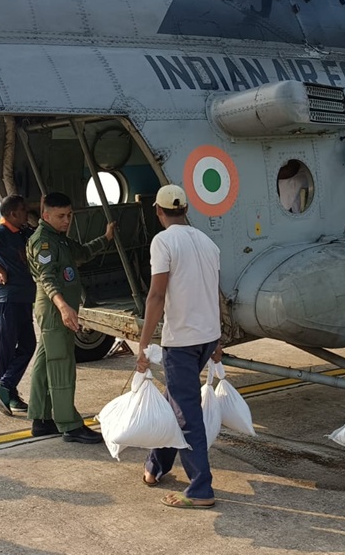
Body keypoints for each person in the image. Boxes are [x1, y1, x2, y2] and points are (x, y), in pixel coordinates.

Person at [136, 184, 222, 509]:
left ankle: (200, 489)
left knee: (186, 415)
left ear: (158, 212)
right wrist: (219, 339)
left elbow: (157, 295)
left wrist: (143, 345)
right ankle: (154, 466)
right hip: (205, 338)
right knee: (175, 398)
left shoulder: (163, 241)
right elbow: (215, 292)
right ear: (186, 209)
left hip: (182, 342)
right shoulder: (208, 243)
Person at [26, 192, 114, 442]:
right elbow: (47, 277)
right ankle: (70, 425)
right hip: (55, 309)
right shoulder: (43, 242)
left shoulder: (59, 239)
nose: (67, 220)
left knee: (46, 363)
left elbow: (83, 253)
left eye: (69, 215)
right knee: (62, 365)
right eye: (61, 216)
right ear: (46, 215)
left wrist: (106, 238)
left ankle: (42, 420)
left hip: (57, 309)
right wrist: (64, 307)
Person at [0, 194, 36, 416]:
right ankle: (6, 392)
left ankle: (6, 388)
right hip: (7, 298)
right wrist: (1, 271)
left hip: (21, 298)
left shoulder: (20, 231)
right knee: (8, 348)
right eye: (23, 211)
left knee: (28, 344)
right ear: (12, 214)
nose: (26, 214)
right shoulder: (1, 232)